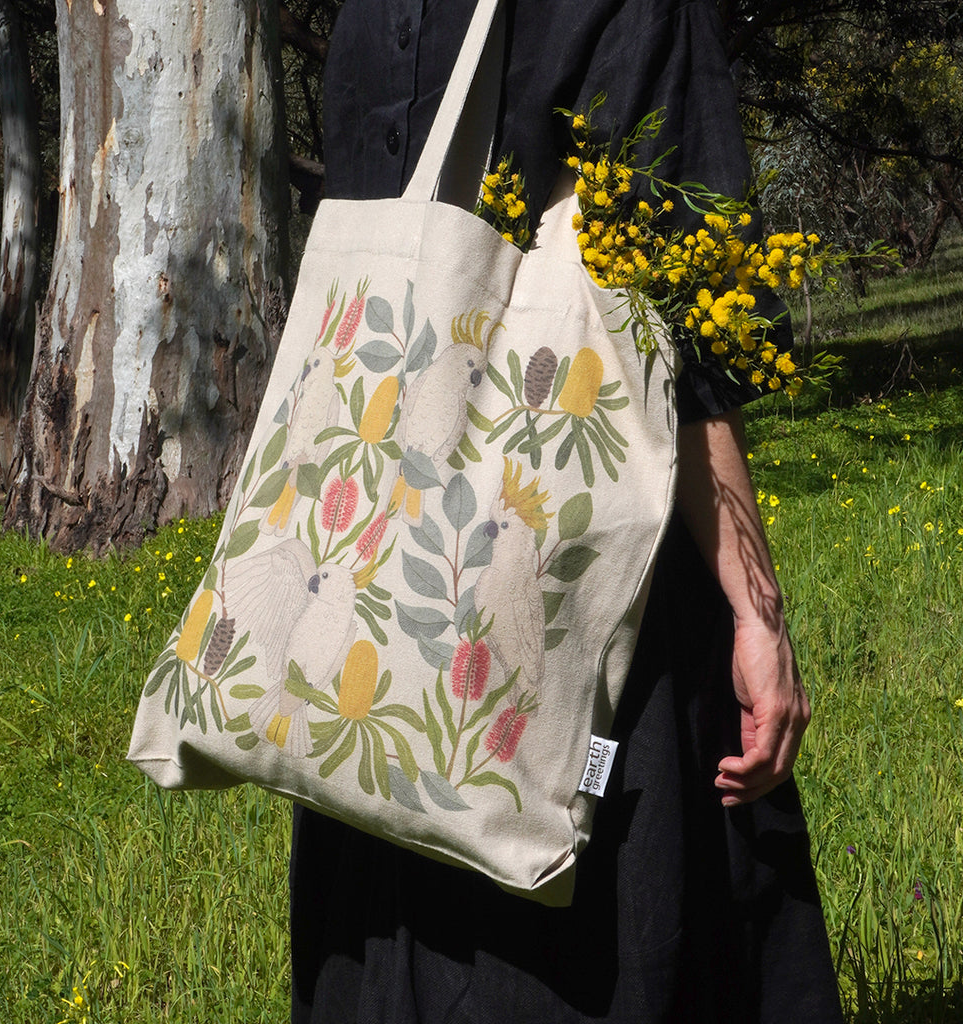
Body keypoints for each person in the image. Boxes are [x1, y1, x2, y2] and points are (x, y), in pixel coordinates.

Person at [288, 2, 844, 1021]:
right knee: (625, 890)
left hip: (392, 552)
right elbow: (673, 317)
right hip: (579, 545)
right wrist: (756, 611)